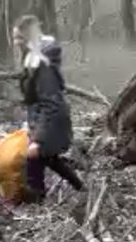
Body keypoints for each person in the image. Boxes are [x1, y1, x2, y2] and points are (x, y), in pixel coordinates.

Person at [12, 15, 83, 203]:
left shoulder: (42, 66)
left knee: (34, 160)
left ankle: (37, 202)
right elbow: (34, 97)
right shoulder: (32, 60)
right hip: (43, 117)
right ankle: (81, 187)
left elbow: (50, 103)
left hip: (51, 119)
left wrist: (38, 138)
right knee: (48, 158)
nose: (15, 42)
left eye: (19, 38)